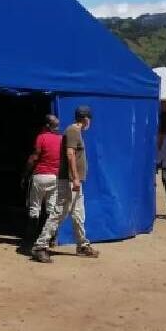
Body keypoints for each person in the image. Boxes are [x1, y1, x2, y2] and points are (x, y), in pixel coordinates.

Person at [32, 105, 100, 263]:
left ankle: (82, 245)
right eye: (89, 118)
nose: (90, 122)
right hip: (69, 181)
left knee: (78, 214)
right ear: (85, 118)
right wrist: (75, 178)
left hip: (75, 182)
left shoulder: (77, 132)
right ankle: (39, 246)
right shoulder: (72, 131)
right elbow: (70, 155)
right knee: (59, 213)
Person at [20, 114, 62, 252]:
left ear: (47, 125)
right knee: (51, 209)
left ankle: (30, 239)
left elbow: (34, 157)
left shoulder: (41, 137)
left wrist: (25, 175)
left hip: (40, 176)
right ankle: (51, 239)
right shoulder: (61, 139)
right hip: (55, 178)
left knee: (35, 208)